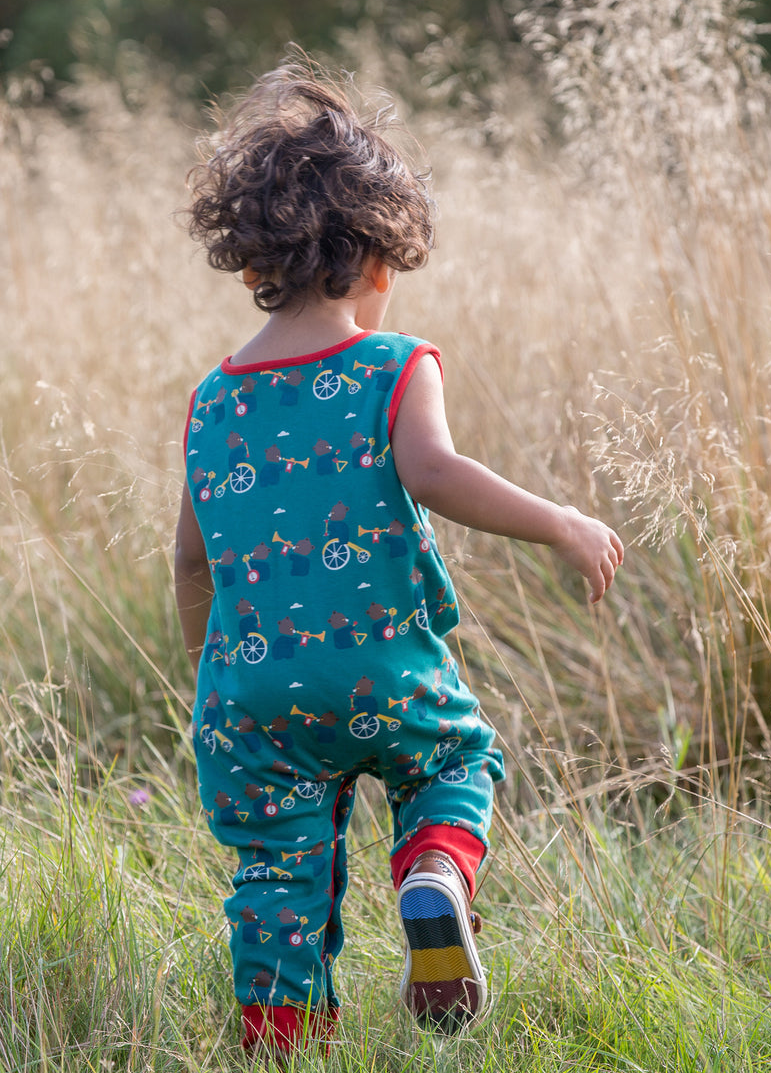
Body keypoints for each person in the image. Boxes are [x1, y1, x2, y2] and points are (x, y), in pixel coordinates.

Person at [174, 57, 624, 1059]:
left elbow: (191, 564)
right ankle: (431, 874)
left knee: (275, 883)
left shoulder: (215, 398)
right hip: (380, 668)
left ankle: (281, 1041)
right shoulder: (392, 363)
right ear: (377, 258)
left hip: (250, 695)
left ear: (255, 257)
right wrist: (558, 519)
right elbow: (433, 471)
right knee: (457, 760)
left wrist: (217, 674)